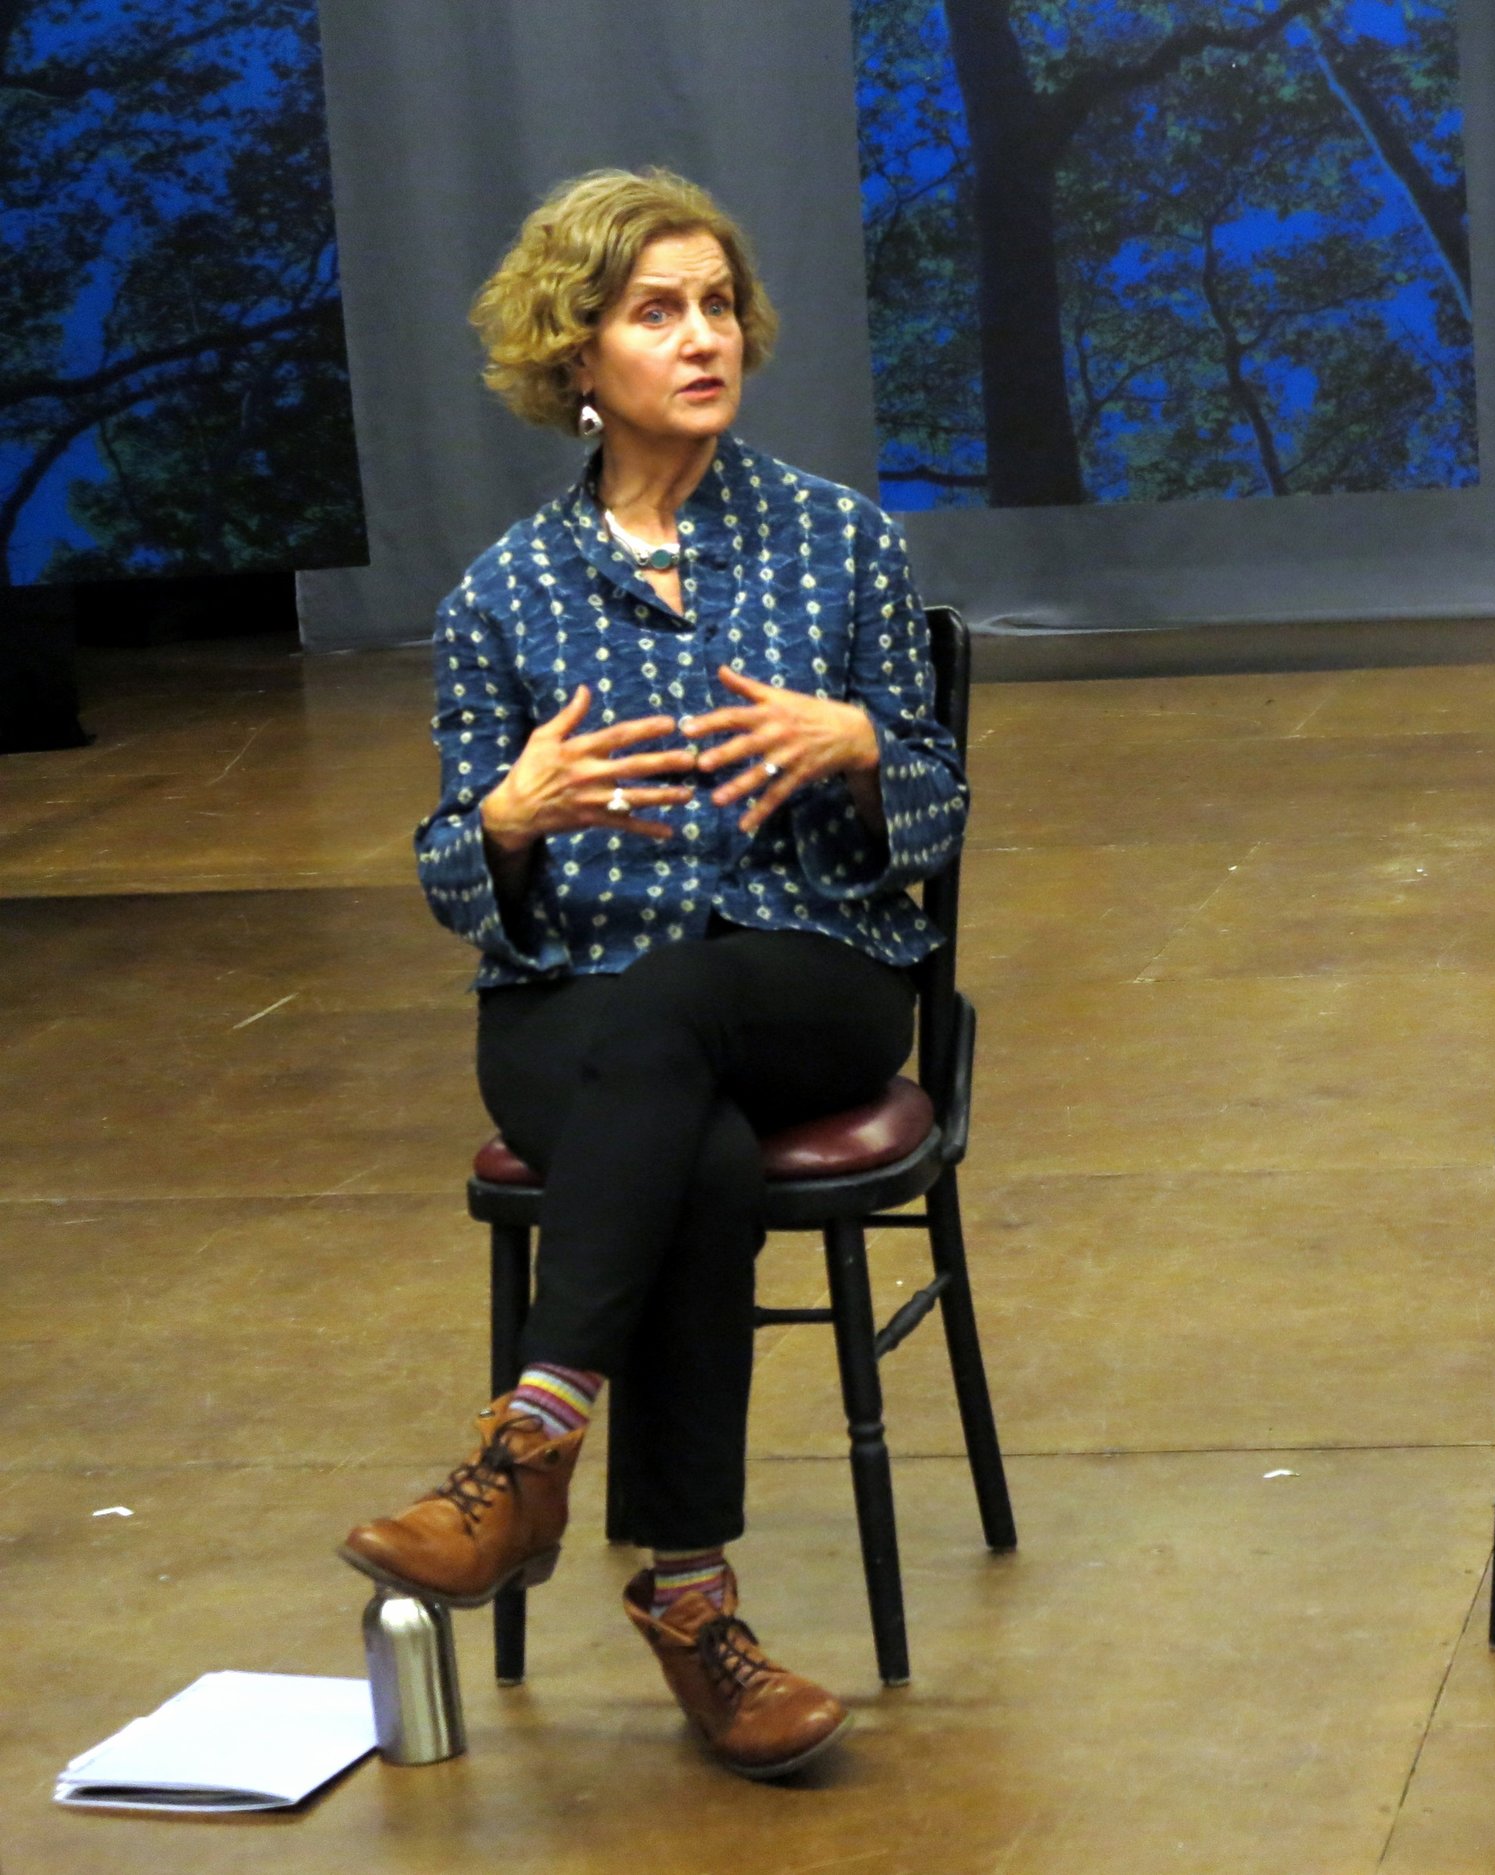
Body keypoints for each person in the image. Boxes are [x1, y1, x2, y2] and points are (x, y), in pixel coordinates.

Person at [337, 169, 967, 1781]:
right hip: (571, 1005)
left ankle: (525, 1443)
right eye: (655, 311)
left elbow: (942, 810)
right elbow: (449, 881)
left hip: (807, 976)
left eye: (716, 306)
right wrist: (508, 816)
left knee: (677, 1015)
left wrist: (862, 745)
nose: (703, 338)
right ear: (576, 353)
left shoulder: (838, 541)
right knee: (674, 1121)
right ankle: (693, 1607)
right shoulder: (504, 594)